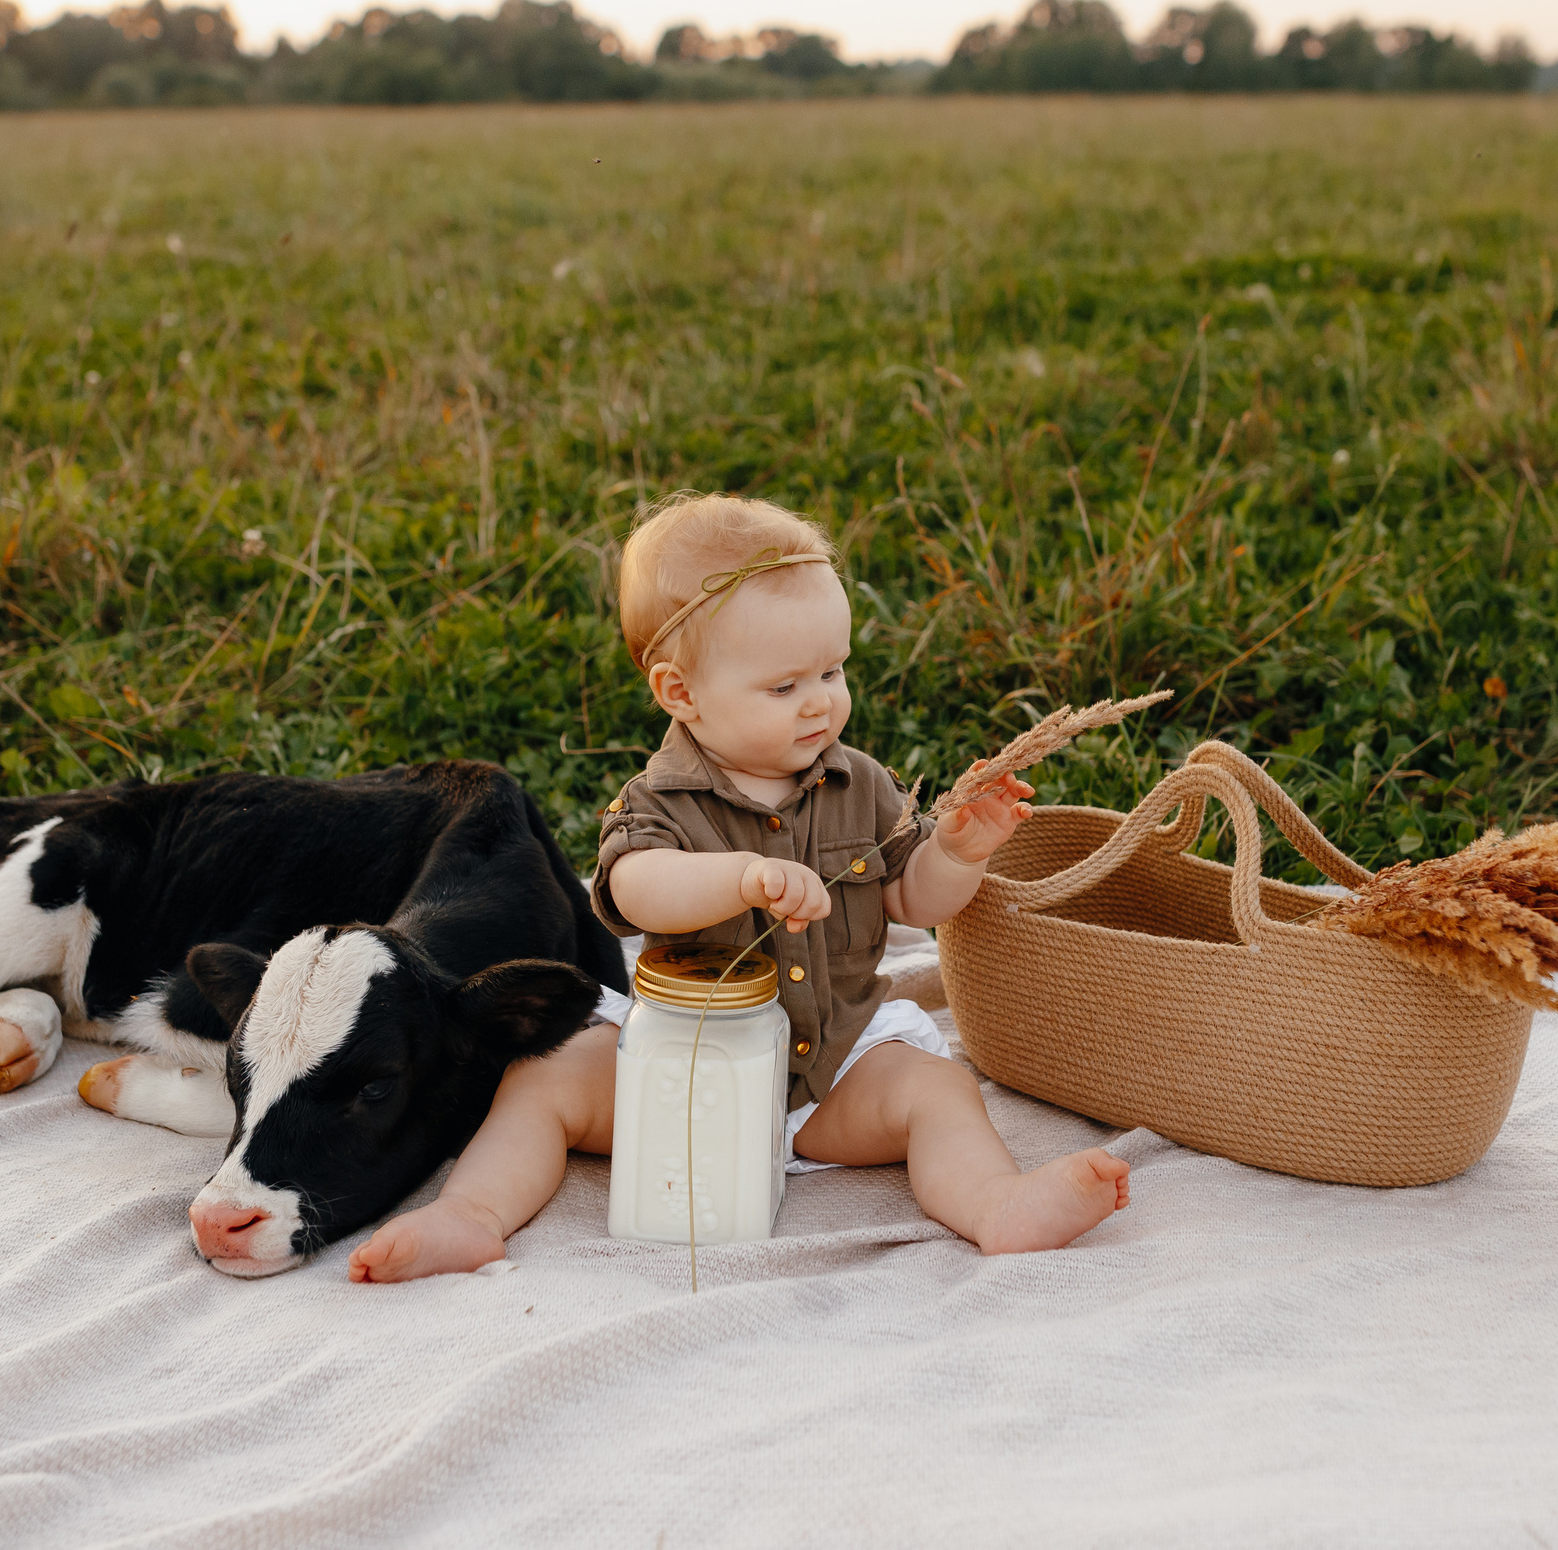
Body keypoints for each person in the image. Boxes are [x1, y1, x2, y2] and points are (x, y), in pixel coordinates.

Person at [348, 493, 1130, 1282]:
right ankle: (471, 1214)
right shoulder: (658, 800)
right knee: (545, 1075)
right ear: (681, 693)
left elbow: (912, 903)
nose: (823, 700)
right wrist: (740, 877)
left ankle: (998, 1204)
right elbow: (635, 888)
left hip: (830, 1072)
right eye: (785, 686)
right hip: (680, 1082)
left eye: (833, 669)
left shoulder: (858, 785)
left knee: (937, 1089)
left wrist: (959, 851)